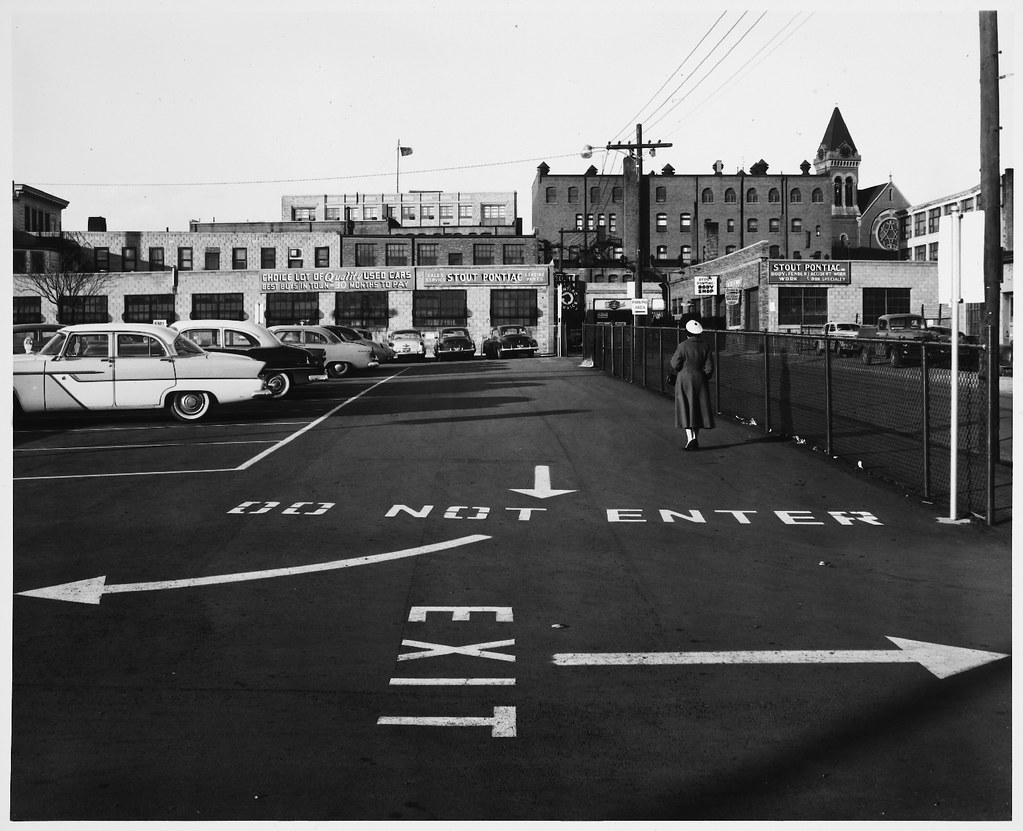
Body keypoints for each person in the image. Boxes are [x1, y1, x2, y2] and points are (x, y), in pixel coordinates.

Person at [669, 319, 715, 451]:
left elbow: (675, 364)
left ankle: (691, 439)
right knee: (698, 409)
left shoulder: (682, 346)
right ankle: (694, 440)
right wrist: (704, 376)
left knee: (686, 409)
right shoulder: (705, 346)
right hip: (700, 380)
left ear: (687, 333)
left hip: (684, 379)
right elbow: (709, 368)